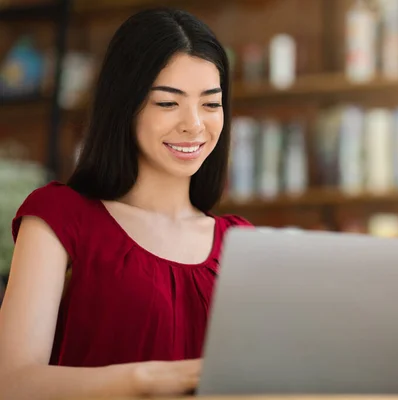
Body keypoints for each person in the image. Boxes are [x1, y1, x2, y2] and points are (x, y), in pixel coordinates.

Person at [0, 7, 252, 399]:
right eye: (168, 103)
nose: (194, 124)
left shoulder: (242, 243)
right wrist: (147, 380)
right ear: (124, 107)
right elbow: (13, 383)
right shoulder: (60, 217)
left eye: (211, 103)